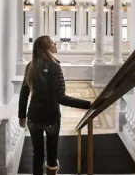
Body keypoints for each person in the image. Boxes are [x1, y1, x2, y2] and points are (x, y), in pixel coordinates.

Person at [19, 35, 91, 175]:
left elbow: (24, 93)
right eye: (52, 42)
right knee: (51, 156)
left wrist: (22, 114)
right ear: (47, 47)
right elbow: (61, 98)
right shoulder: (55, 67)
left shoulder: (30, 66)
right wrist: (88, 104)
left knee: (37, 154)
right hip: (51, 118)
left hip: (33, 117)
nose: (55, 44)